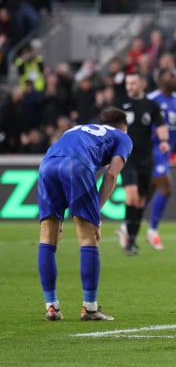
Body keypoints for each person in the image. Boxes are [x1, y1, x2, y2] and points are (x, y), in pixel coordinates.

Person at [37, 107, 132, 321]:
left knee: (47, 237)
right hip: (76, 165)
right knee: (88, 237)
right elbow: (111, 175)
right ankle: (90, 308)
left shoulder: (76, 129)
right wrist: (95, 213)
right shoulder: (122, 137)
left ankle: (51, 306)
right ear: (123, 128)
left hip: (47, 165)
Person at [114, 72, 170, 255]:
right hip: (127, 158)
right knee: (131, 196)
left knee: (140, 200)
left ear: (142, 84)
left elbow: (160, 126)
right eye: (127, 83)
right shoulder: (120, 104)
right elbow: (110, 129)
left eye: (133, 83)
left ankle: (132, 238)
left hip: (146, 159)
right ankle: (129, 242)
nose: (129, 86)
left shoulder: (151, 105)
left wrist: (164, 141)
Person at [145, 68, 176, 249]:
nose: (175, 78)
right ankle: (152, 230)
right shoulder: (151, 99)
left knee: (150, 190)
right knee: (166, 187)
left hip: (166, 152)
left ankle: (128, 225)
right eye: (171, 75)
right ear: (160, 80)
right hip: (153, 149)